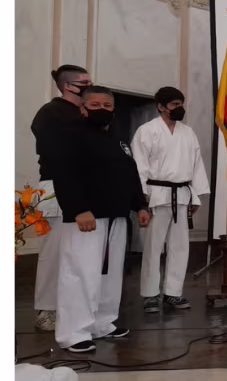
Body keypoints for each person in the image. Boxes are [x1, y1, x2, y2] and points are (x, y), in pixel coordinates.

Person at [51, 86, 150, 353]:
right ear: (83, 108)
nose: (102, 110)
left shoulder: (119, 140)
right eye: (95, 105)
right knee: (80, 274)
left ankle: (102, 323)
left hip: (116, 216)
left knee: (110, 273)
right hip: (86, 217)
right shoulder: (70, 136)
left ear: (114, 110)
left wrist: (139, 205)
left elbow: (131, 176)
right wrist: (78, 208)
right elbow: (63, 175)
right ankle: (73, 332)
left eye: (107, 106)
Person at [132, 87, 210, 313]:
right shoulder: (146, 131)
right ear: (161, 106)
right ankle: (150, 294)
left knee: (179, 247)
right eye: (175, 104)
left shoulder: (188, 132)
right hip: (156, 195)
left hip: (182, 195)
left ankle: (173, 293)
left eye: (181, 103)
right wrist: (142, 201)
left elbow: (196, 165)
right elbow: (139, 168)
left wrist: (195, 195)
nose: (180, 108)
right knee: (152, 247)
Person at [30, 65, 93, 331]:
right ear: (68, 86)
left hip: (83, 186)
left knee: (78, 252)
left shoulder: (88, 113)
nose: (90, 85)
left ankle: (73, 305)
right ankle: (46, 309)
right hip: (55, 185)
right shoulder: (51, 112)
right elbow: (54, 151)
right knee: (53, 252)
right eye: (85, 82)